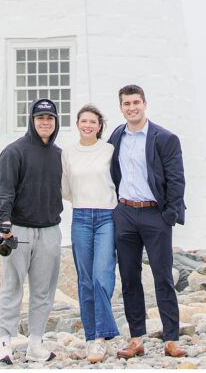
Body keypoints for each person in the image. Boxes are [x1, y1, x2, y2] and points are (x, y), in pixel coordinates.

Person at [108, 84, 188, 360]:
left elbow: (177, 178)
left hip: (156, 215)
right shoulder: (116, 136)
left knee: (163, 277)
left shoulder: (164, 138)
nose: (132, 108)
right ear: (120, 108)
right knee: (129, 278)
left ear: (144, 103)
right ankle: (136, 338)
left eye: (136, 102)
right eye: (126, 104)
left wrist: (169, 214)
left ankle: (172, 339)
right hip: (125, 214)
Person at [0, 97, 63, 365]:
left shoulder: (59, 155)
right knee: (12, 288)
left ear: (55, 122)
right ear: (32, 121)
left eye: (50, 118)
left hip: (49, 229)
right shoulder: (14, 152)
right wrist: (5, 225)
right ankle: (4, 344)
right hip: (18, 230)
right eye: (40, 118)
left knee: (43, 291)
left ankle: (36, 343)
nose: (45, 123)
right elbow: (5, 190)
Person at [61, 104, 120, 364]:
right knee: (85, 280)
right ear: (77, 124)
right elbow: (65, 187)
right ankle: (91, 337)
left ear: (99, 126)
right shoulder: (68, 153)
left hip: (107, 216)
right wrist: (82, 202)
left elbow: (117, 181)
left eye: (92, 122)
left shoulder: (109, 150)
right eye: (83, 121)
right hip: (81, 216)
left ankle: (103, 335)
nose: (87, 125)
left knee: (101, 276)